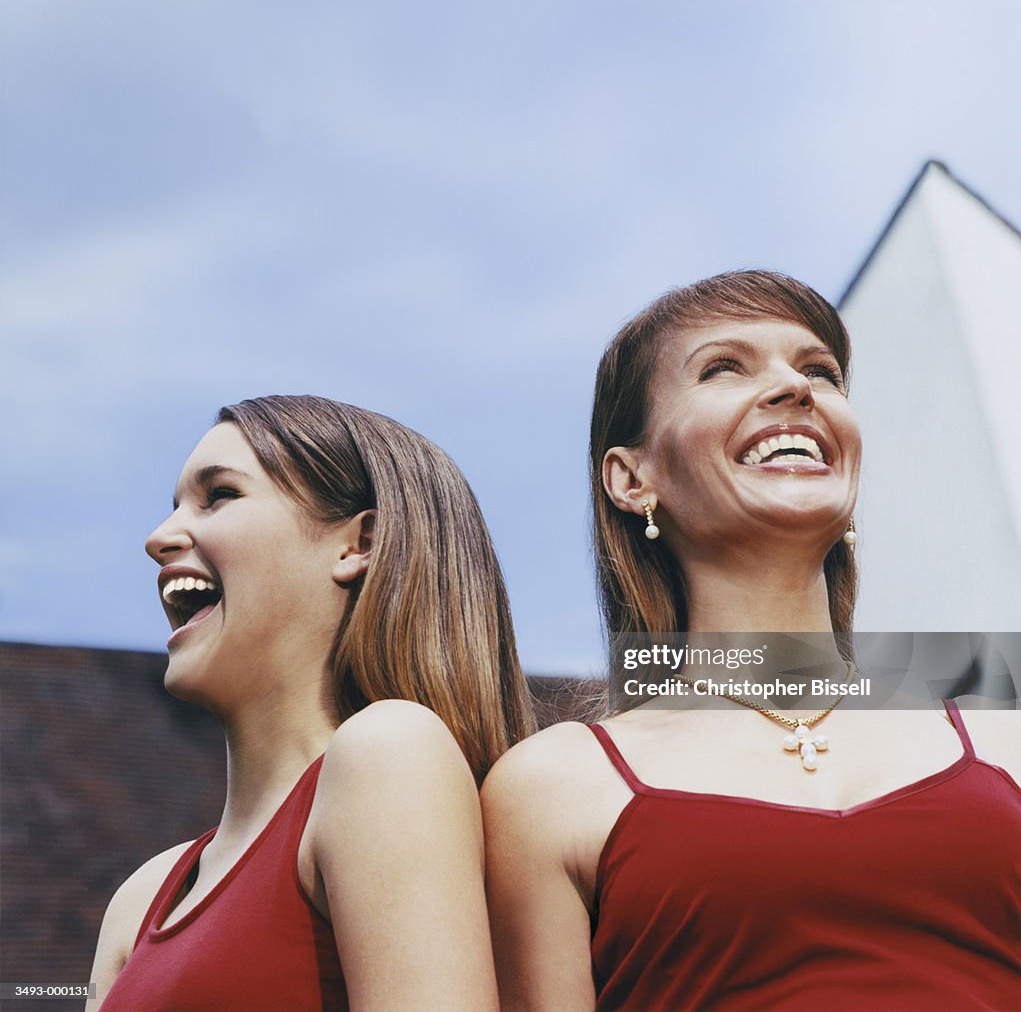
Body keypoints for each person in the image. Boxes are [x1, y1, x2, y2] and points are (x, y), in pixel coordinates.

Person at [482, 271, 1021, 1011]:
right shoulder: (548, 787)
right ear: (630, 478)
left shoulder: (999, 731)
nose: (794, 390)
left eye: (819, 372)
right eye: (722, 367)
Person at [86, 394, 535, 1012]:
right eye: (173, 508)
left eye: (220, 494)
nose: (159, 539)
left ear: (359, 542)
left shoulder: (390, 754)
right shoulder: (142, 899)